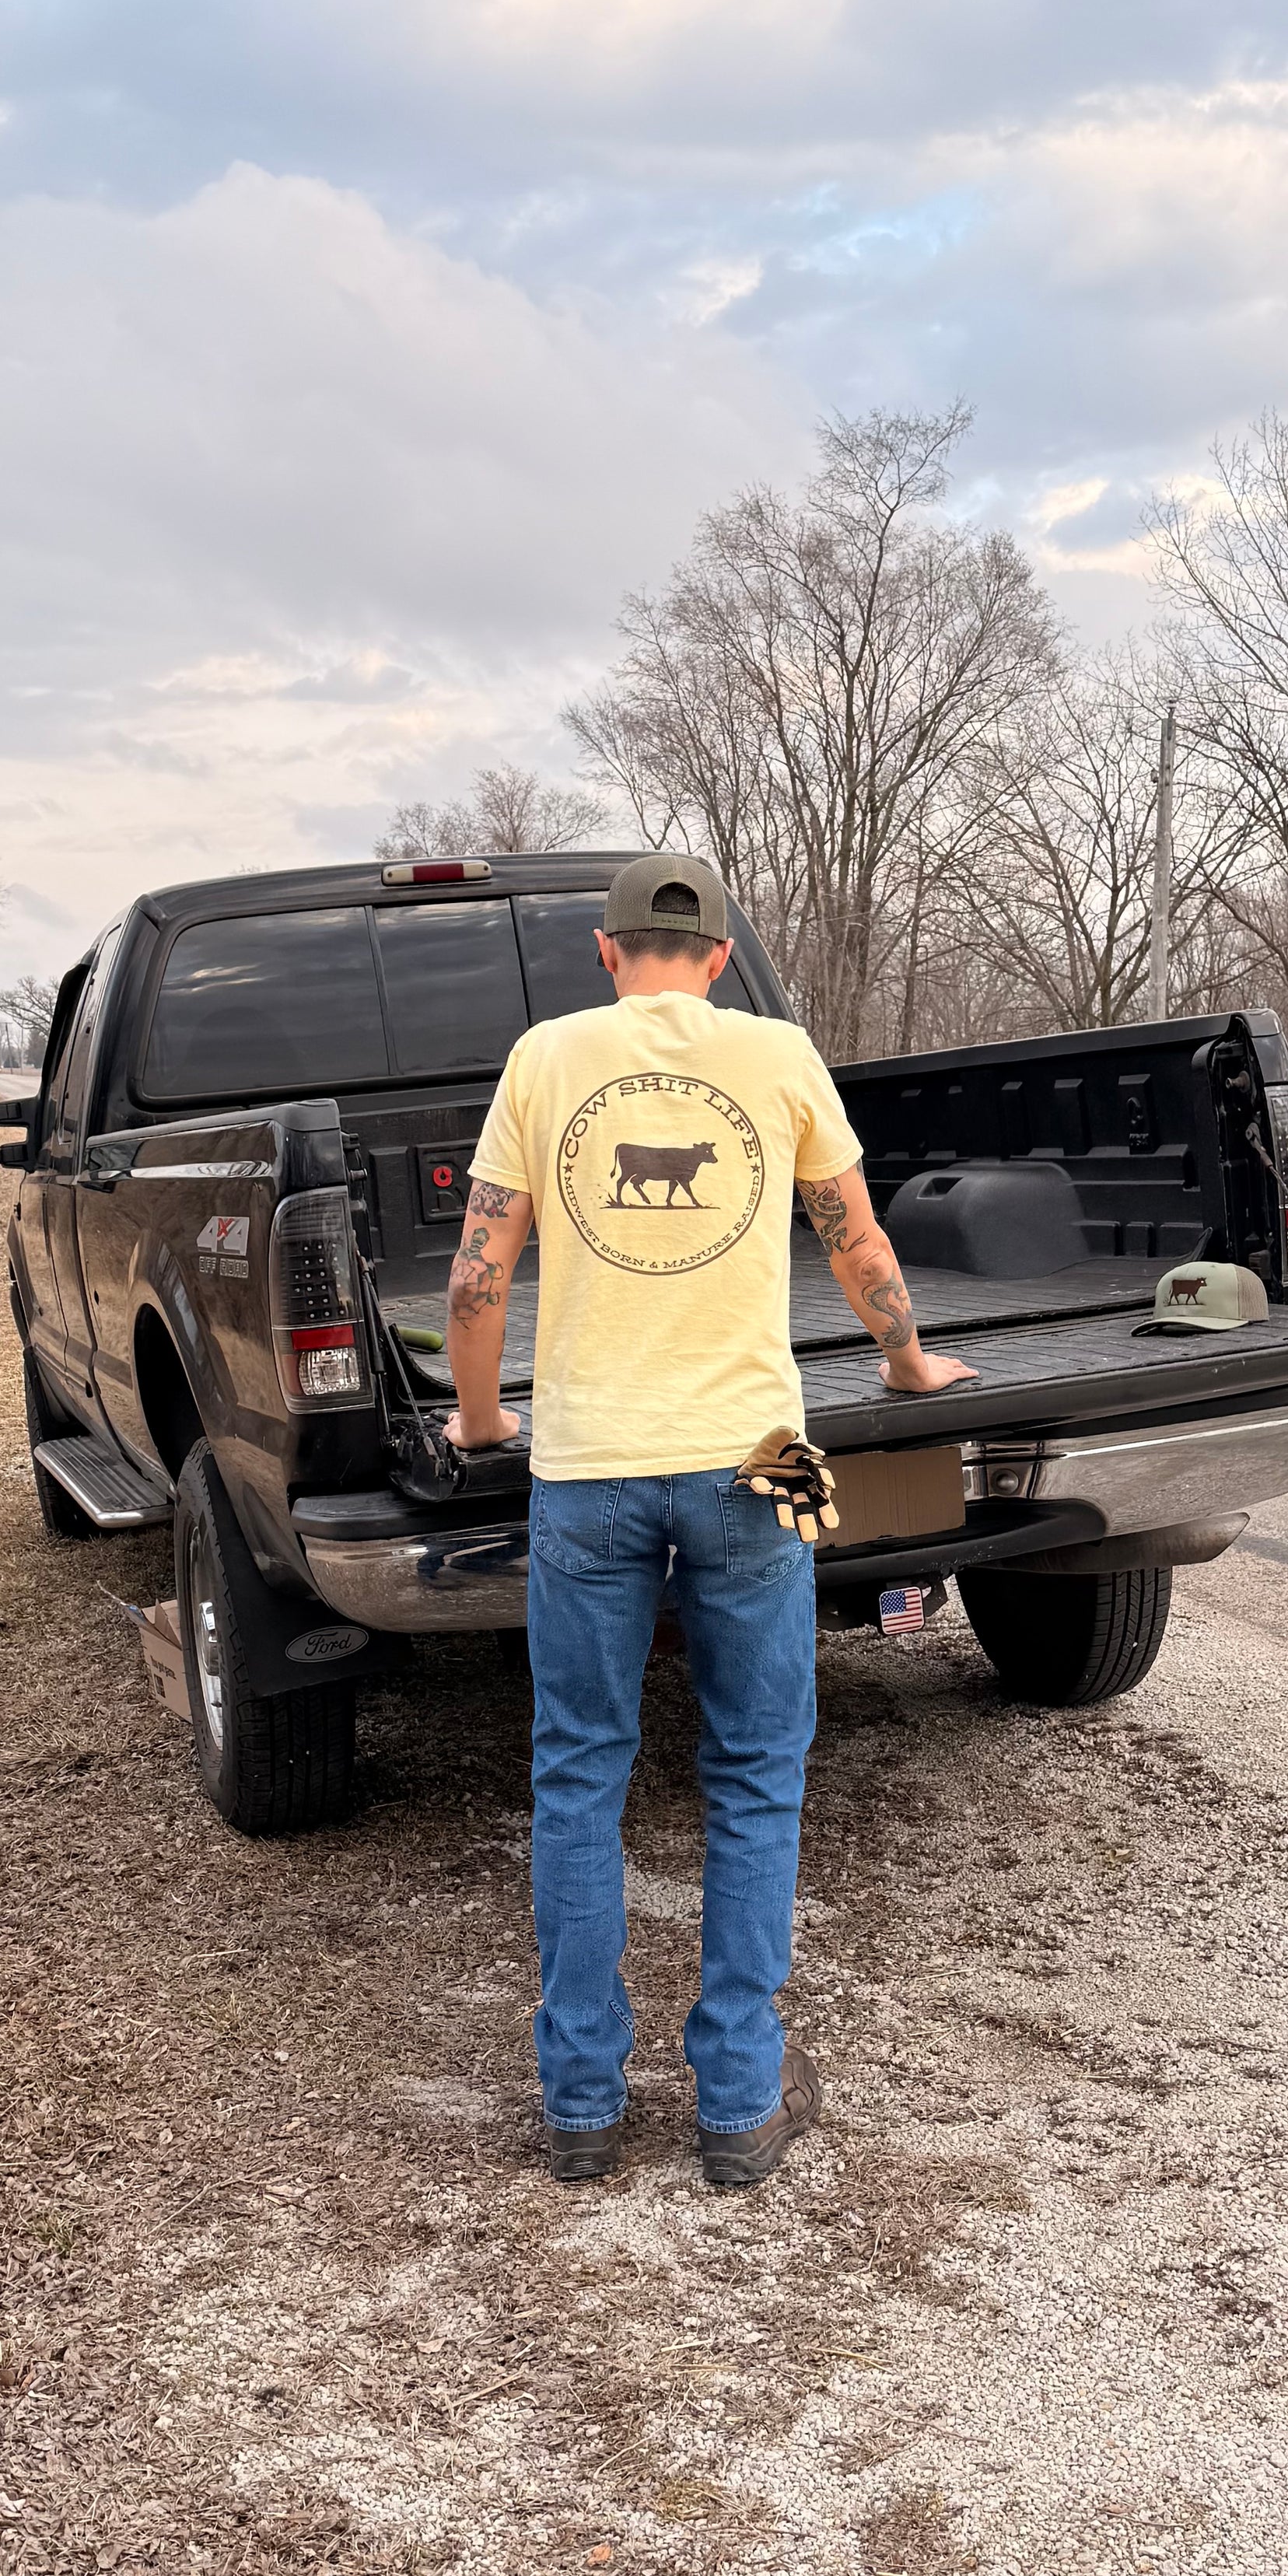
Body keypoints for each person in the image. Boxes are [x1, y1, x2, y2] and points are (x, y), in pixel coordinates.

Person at [445, 851, 975, 2191]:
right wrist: (909, 1366)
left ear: (606, 952)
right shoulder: (781, 1053)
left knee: (578, 1773)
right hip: (765, 1451)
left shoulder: (545, 1059)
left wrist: (480, 1422)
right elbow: (858, 1241)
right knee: (758, 1769)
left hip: (586, 1462)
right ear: (724, 958)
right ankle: (737, 2103)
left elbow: (478, 1273)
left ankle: (580, 2104)